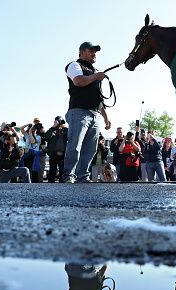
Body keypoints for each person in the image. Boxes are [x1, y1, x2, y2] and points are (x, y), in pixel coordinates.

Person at [63, 41, 112, 183]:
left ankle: (83, 176)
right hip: (79, 111)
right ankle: (69, 176)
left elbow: (99, 97)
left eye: (95, 51)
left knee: (90, 149)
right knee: (75, 145)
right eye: (91, 51)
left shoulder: (95, 71)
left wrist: (106, 118)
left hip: (95, 114)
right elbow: (78, 81)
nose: (94, 53)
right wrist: (96, 77)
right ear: (81, 52)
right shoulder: (74, 65)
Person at [44, 116, 68, 183]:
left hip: (63, 155)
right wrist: (53, 127)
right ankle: (51, 185)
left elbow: (70, 137)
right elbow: (46, 137)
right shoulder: (52, 130)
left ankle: (62, 186)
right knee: (52, 171)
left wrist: (65, 127)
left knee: (62, 172)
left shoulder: (65, 130)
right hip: (53, 154)